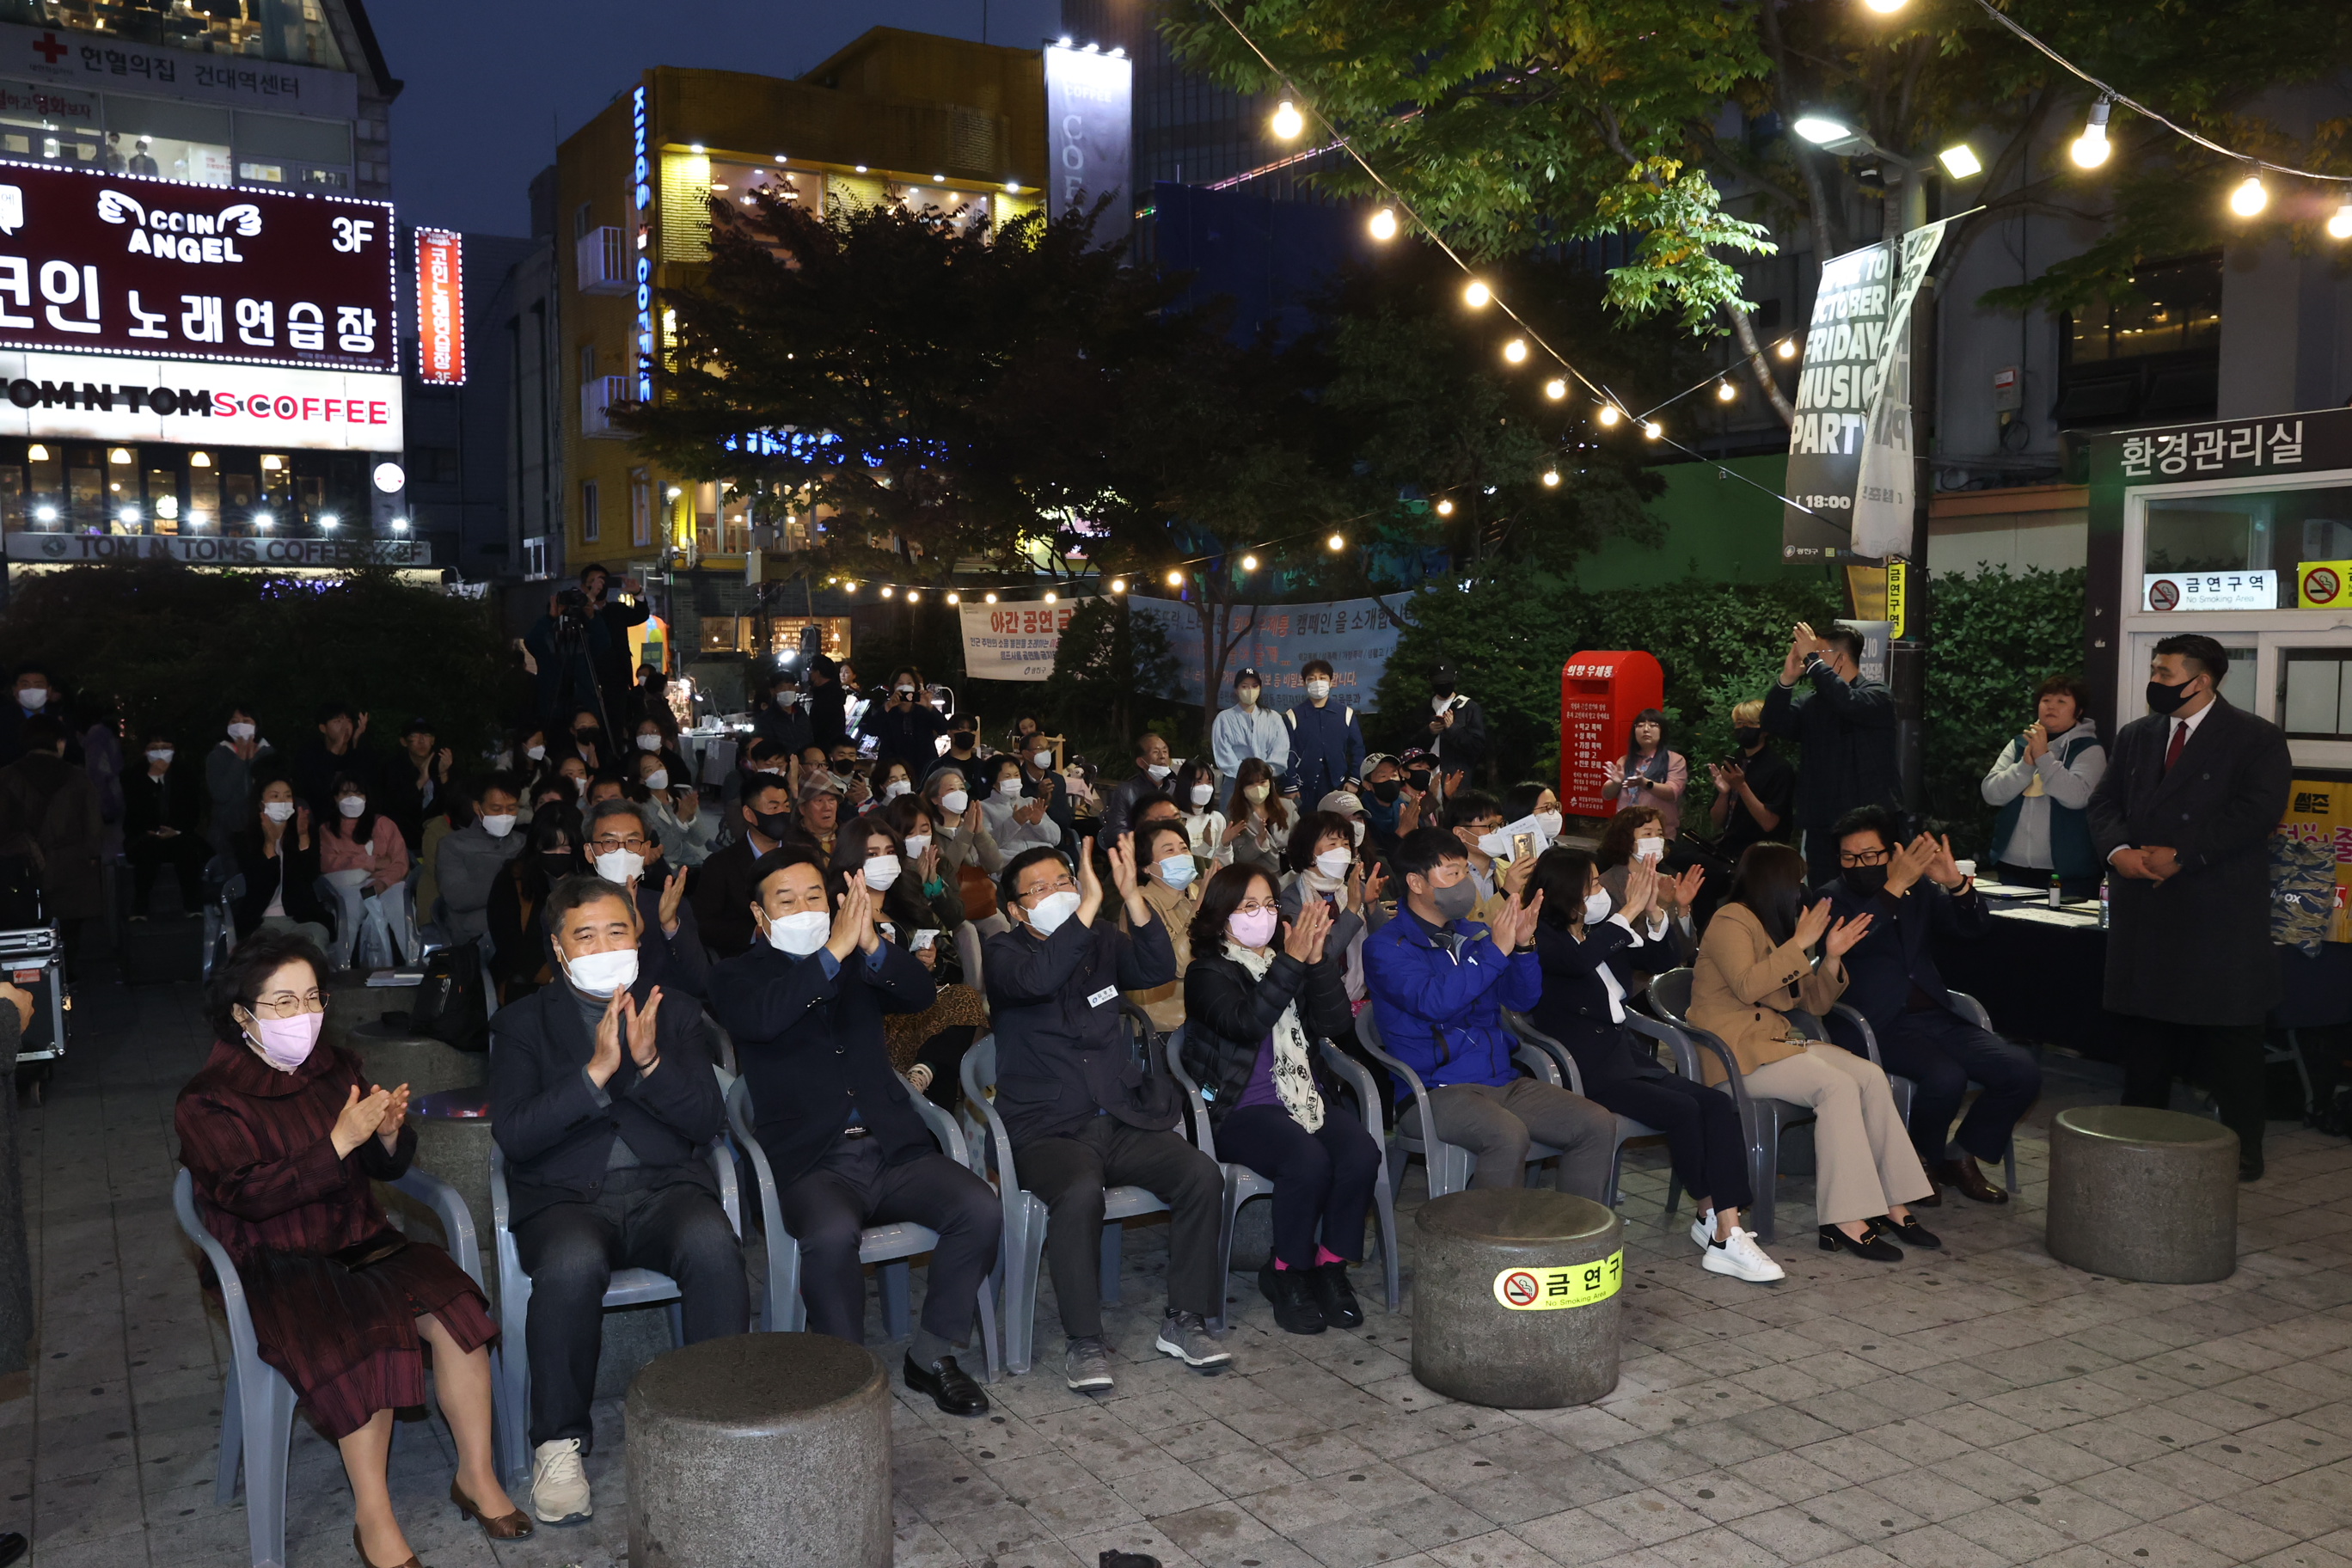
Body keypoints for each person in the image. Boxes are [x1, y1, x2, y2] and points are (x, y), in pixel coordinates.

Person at [177, 930, 527, 1567]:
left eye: (312, 998)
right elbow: (245, 1196)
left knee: (459, 1310)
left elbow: (386, 1171)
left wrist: (387, 1137)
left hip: (360, 1238)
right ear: (241, 1013)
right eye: (281, 1002)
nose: (302, 1015)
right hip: (273, 1261)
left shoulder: (336, 1068)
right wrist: (336, 1144)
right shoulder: (209, 1099)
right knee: (362, 1333)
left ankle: (475, 1476)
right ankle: (374, 1518)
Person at [488, 875, 747, 1524]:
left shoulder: (675, 1010)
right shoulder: (523, 1022)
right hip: (566, 1199)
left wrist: (652, 1063)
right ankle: (559, 1442)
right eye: (586, 935)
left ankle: (710, 1425)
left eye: (617, 932)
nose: (605, 946)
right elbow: (515, 1134)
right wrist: (594, 1076)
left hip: (665, 1188)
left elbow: (706, 1121)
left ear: (637, 938)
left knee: (715, 1243)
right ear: (558, 947)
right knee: (571, 1264)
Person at [710, 848, 1000, 1412]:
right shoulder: (735, 976)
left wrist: (868, 942)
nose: (803, 908)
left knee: (980, 1206)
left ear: (835, 900)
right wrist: (832, 953)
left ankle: (933, 1355)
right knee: (830, 1235)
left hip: (893, 1146)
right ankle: (848, 1378)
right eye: (786, 900)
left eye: (814, 896)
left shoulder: (859, 957)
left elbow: (919, 993)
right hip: (810, 1161)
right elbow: (763, 1019)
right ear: (759, 913)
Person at [983, 839, 1229, 1391]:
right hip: (1047, 1127)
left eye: (1063, 881)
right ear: (1017, 910)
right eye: (1039, 889)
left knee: (1200, 1175)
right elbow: (1041, 980)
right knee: (1077, 1193)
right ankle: (1084, 1341)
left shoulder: (1099, 940)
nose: (1057, 894)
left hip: (1119, 1115)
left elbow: (1158, 966)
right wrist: (1087, 907)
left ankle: (1183, 1319)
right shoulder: (1005, 954)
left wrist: (1129, 900)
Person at [2090, 634, 2294, 1181]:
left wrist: (2186, 855)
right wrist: (2119, 853)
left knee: (2232, 1041)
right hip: (2146, 907)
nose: (2154, 681)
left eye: (2163, 673)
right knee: (2148, 1039)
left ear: (2200, 680)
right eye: (2154, 671)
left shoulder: (2255, 738)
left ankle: (2243, 1150)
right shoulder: (2137, 736)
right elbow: (2105, 802)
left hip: (2215, 910)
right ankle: (2138, 1137)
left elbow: (2258, 813)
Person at [1526, 847, 1781, 1283]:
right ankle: (1721, 1226)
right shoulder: (1542, 938)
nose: (1600, 890)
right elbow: (1574, 965)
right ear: (1566, 889)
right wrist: (1626, 912)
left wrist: (1660, 911)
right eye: (1592, 884)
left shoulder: (1596, 932)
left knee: (1716, 1104)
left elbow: (1663, 962)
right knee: (1683, 1110)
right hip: (1585, 1068)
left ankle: (1724, 1223)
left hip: (1625, 1058)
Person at [1688, 842, 1939, 1260]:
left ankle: (1893, 1203)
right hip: (1734, 1055)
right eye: (1797, 879)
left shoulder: (1779, 928)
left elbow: (1814, 1005)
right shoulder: (1730, 919)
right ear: (1777, 882)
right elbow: (1748, 986)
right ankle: (1844, 1218)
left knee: (1871, 1077)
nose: (1802, 888)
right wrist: (1801, 943)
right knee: (1836, 1086)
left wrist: (1830, 956)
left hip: (1775, 1045)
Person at [1361, 827, 1615, 1196]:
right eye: (1452, 873)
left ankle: (1573, 1241)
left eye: (1465, 872)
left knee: (1595, 1123)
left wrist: (1525, 948)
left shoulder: (1474, 934)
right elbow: (1435, 1003)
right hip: (1433, 1091)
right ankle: (1490, 1248)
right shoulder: (1387, 947)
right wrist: (1496, 952)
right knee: (1507, 1136)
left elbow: (1521, 1000)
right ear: (1416, 882)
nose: (1464, 883)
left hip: (1500, 1080)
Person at [1181, 865, 1377, 1333]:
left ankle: (1330, 1268)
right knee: (1307, 1162)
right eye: (1249, 906)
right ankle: (1287, 1272)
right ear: (1221, 916)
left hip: (1302, 1096)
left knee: (1360, 1153)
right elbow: (1247, 1022)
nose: (1264, 915)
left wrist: (1316, 963)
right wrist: (1291, 962)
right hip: (1239, 1110)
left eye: (1269, 904)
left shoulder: (1283, 962)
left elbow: (1334, 1024)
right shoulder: (1207, 972)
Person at [1820, 807, 2040, 1204]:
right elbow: (1857, 941)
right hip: (1874, 1023)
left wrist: (1955, 885)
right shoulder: (1831, 897)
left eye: (1870, 855)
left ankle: (1959, 1155)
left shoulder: (1918, 890)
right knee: (1945, 1077)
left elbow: (1974, 930)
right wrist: (1892, 889)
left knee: (2020, 1070)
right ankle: (1917, 1159)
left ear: (1894, 851)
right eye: (1849, 857)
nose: (1859, 865)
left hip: (1935, 1015)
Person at [1761, 623, 1899, 885]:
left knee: (1870, 896)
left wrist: (1812, 660)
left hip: (1866, 823)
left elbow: (1847, 702)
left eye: (1818, 650)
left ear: (1840, 657)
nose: (1809, 655)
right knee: (1823, 897)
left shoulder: (1877, 695)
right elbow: (1773, 723)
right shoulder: (1812, 703)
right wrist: (1787, 679)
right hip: (1821, 823)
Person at [1981, 675, 2108, 897]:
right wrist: (2025, 765)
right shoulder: (2020, 743)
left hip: (2066, 874)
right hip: (2011, 866)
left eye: (2062, 702)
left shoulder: (2089, 749)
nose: (2051, 707)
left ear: (2078, 712)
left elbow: (2078, 797)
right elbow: (1991, 793)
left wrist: (2045, 758)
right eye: (2046, 700)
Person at [0, 714, 102, 969]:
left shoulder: (7, 777)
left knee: (25, 926)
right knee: (68, 930)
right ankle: (67, 977)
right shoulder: (78, 777)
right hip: (71, 864)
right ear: (60, 742)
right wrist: (92, 855)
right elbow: (93, 826)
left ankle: (29, 976)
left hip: (21, 867)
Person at [583, 799, 709, 1001]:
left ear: (645, 849)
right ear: (590, 853)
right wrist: (630, 938)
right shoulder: (569, 912)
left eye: (632, 842)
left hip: (665, 1017)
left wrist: (670, 926)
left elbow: (701, 983)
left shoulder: (668, 907)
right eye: (609, 842)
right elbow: (581, 990)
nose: (622, 850)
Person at [691, 770, 793, 959]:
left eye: (786, 806)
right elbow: (705, 924)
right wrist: (755, 933)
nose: (782, 813)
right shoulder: (720, 865)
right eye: (773, 807)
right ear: (749, 813)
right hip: (746, 959)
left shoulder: (802, 855)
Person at [320, 775, 414, 971]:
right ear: (336, 797)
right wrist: (372, 862)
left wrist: (382, 883)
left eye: (358, 793)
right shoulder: (327, 830)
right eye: (346, 793)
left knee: (400, 902)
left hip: (386, 883)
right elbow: (329, 863)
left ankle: (413, 963)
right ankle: (343, 967)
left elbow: (399, 862)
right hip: (349, 887)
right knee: (349, 908)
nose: (352, 798)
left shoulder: (384, 825)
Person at [487, 809, 579, 1001]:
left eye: (565, 849)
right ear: (536, 847)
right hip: (529, 979)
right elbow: (509, 941)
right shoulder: (514, 879)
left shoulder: (587, 879)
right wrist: (550, 976)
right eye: (550, 848)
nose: (557, 855)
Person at [230, 776, 333, 949]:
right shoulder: (245, 839)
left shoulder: (304, 834)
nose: (283, 802)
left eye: (287, 796)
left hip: (303, 918)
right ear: (262, 804)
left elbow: (310, 874)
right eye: (275, 797)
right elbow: (259, 885)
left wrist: (303, 838)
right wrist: (270, 844)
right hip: (262, 921)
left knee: (313, 943)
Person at [1124, 819, 1203, 1032]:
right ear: (1147, 867)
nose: (1181, 856)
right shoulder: (1140, 904)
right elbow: (1177, 965)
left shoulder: (1197, 892)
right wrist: (1202, 903)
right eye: (1169, 851)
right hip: (1167, 1021)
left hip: (1208, 1007)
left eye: (1184, 849)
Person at [124, 729, 208, 919]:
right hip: (143, 836)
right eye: (155, 748)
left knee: (186, 849)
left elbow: (192, 811)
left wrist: (176, 831)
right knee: (148, 851)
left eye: (166, 748)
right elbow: (133, 813)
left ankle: (193, 906)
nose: (161, 753)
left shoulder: (185, 774)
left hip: (177, 835)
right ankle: (140, 907)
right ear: (145, 751)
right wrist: (151, 780)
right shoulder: (133, 775)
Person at [433, 775, 524, 947]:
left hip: (521, 928)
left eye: (511, 808)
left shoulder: (524, 843)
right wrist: (510, 881)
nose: (504, 815)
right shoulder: (453, 845)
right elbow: (457, 897)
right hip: (476, 934)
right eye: (496, 809)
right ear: (477, 807)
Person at [1703, 699, 1796, 867]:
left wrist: (1741, 786)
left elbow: (1769, 824)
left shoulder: (1779, 768)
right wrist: (1723, 794)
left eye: (1750, 723)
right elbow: (1716, 822)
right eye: (1739, 723)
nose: (1742, 728)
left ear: (1765, 729)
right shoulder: (1734, 761)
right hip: (1728, 846)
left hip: (1762, 852)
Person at [1283, 660, 1364, 804]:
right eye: (1311, 679)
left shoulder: (1346, 713)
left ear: (1331, 682)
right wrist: (1290, 785)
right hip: (1304, 789)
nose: (1317, 682)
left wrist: (1354, 780)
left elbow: (1358, 749)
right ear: (1304, 684)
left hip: (1338, 785)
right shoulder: (1293, 715)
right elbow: (1286, 752)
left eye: (1322, 678)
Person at [1601, 709, 1688, 838]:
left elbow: (1672, 792)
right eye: (1640, 726)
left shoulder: (1675, 760)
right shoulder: (1625, 760)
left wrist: (1644, 783)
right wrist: (1616, 783)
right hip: (1624, 832)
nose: (1646, 729)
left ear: (1662, 731)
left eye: (1653, 725)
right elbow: (1607, 795)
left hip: (1657, 834)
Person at [381, 720, 455, 859]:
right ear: (404, 741)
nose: (422, 741)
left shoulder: (441, 764)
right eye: (415, 736)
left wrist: (444, 775)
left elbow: (453, 805)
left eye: (426, 736)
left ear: (433, 740)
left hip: (435, 841)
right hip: (402, 842)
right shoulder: (393, 768)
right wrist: (422, 779)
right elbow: (396, 807)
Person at [861, 667, 950, 779]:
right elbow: (871, 729)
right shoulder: (886, 709)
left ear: (915, 686)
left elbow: (944, 729)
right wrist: (888, 707)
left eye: (909, 683)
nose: (905, 686)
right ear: (893, 687)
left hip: (923, 769)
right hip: (892, 771)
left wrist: (930, 707)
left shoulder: (923, 709)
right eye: (900, 683)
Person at [636, 749, 719, 868]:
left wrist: (691, 818)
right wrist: (680, 821)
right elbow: (665, 850)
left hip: (697, 860)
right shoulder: (644, 809)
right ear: (641, 780)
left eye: (659, 765)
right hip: (673, 867)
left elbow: (700, 840)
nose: (658, 772)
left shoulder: (683, 794)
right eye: (650, 770)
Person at [206, 704, 270, 854]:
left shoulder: (268, 754)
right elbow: (220, 794)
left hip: (262, 830)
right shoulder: (217, 756)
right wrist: (239, 760)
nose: (240, 726)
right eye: (234, 721)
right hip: (226, 834)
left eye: (246, 721)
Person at [1211, 667, 1289, 789]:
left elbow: (1280, 751)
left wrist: (1262, 774)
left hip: (1265, 782)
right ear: (1236, 690)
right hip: (1235, 784)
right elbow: (1223, 753)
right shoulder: (1224, 719)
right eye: (1244, 686)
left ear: (1260, 689)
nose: (1250, 690)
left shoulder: (1274, 718)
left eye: (1254, 686)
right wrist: (1247, 775)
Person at [922, 768, 1004, 881]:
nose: (959, 793)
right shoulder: (929, 831)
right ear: (935, 799)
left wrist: (980, 832)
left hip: (982, 889)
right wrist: (966, 833)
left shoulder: (972, 822)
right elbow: (945, 872)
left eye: (961, 788)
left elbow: (995, 865)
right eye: (951, 789)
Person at [292, 703, 369, 820]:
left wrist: (356, 743)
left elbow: (366, 784)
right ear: (323, 728)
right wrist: (334, 750)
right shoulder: (309, 753)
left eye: (348, 721)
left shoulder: (359, 752)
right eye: (338, 721)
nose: (345, 727)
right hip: (320, 820)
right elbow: (315, 790)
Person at [1102, 732, 1177, 843]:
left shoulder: (1176, 787)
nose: (1163, 756)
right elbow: (1117, 832)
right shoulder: (1126, 791)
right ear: (1141, 762)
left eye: (1165, 751)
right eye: (1156, 752)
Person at [981, 753, 1062, 856]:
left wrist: (1038, 823)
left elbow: (1056, 839)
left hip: (1043, 858)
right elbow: (986, 846)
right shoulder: (983, 808)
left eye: (1016, 775)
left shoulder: (1030, 802)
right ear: (993, 781)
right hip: (1012, 863)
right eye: (1007, 776)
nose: (1013, 780)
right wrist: (1014, 822)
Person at [1222, 756, 1291, 874]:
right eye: (1251, 784)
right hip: (1256, 877)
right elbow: (1240, 857)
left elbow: (1302, 840)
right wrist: (1258, 841)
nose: (1258, 788)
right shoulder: (1234, 816)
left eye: (1262, 782)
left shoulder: (1288, 806)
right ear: (1241, 787)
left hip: (1289, 877)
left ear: (1270, 782)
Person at [1425, 661, 1488, 782]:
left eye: (1447, 682)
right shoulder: (1424, 708)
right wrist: (1428, 732)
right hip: (1426, 780)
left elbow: (1477, 746)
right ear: (1430, 681)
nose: (1443, 686)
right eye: (1439, 683)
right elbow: (1409, 743)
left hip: (1456, 781)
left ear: (1455, 678)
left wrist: (1453, 729)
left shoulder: (1469, 707)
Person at [753, 667, 815, 760]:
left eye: (790, 688)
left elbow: (809, 737)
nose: (787, 691)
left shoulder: (801, 713)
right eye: (781, 688)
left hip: (806, 763)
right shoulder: (766, 719)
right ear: (773, 691)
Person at [0, 664, 54, 766]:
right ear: (14, 690)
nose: (32, 690)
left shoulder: (60, 718)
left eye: (38, 685)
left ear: (49, 690)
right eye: (25, 685)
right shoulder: (3, 719)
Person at [804, 654, 848, 750]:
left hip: (825, 748)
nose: (810, 674)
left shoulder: (827, 696)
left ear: (818, 673)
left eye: (811, 670)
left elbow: (820, 727)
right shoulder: (832, 692)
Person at [926, 716, 987, 785]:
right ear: (949, 733)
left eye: (971, 730)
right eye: (960, 729)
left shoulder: (984, 767)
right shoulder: (936, 767)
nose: (966, 733)